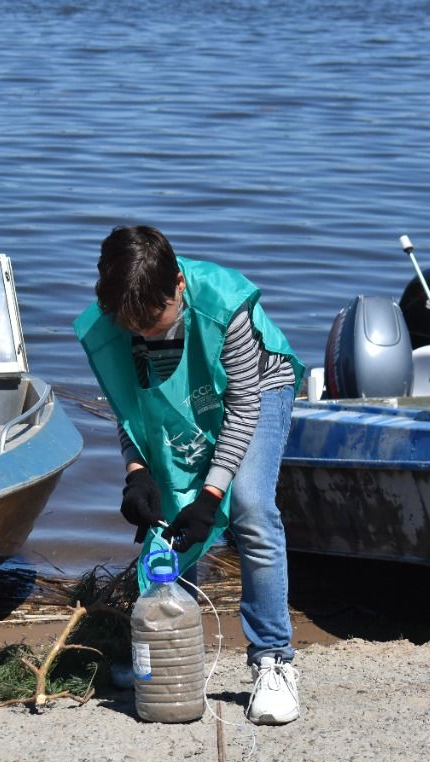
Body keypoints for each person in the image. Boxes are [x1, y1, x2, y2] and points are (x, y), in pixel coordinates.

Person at [73, 225, 306, 725]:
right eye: (133, 327)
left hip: (257, 392)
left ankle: (273, 660)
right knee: (168, 516)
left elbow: (241, 409)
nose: (144, 335)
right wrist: (138, 472)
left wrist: (210, 496)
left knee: (250, 508)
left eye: (154, 322)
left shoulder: (226, 306)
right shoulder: (125, 319)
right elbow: (128, 409)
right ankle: (171, 650)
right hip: (181, 396)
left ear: (178, 284)